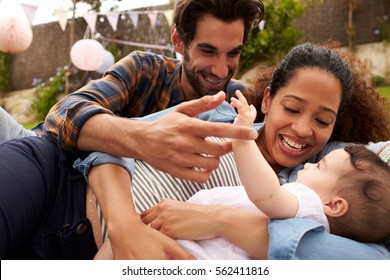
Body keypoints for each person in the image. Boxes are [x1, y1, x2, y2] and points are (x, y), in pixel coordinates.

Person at [0, 0, 265, 259]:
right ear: (178, 41)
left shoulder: (242, 102)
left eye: (233, 53)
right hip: (47, 174)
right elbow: (64, 114)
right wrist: (144, 138)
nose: (221, 69)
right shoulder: (146, 70)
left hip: (81, 239)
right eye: (208, 51)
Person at [79, 43, 390, 259]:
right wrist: (125, 228)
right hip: (74, 198)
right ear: (266, 101)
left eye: (323, 120)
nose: (304, 129)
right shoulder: (218, 115)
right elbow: (109, 145)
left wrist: (219, 220)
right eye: (292, 108)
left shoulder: (314, 189)